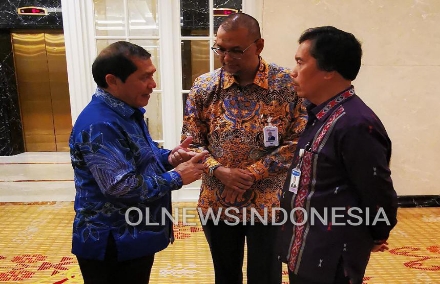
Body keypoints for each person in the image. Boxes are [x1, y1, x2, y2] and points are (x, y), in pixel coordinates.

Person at [181, 13, 307, 284]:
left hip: (269, 203)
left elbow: (299, 140)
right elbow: (192, 140)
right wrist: (219, 171)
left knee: (266, 275)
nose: (226, 58)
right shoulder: (204, 87)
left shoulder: (287, 85)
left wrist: (252, 173)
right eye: (221, 49)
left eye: (236, 50)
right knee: (225, 275)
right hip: (217, 201)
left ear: (259, 45)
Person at [69, 41, 208, 284]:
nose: (153, 85)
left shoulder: (126, 112)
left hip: (133, 235)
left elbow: (143, 155)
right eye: (145, 77)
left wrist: (170, 157)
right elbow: (121, 187)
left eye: (152, 76)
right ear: (112, 80)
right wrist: (177, 176)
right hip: (111, 242)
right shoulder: (100, 124)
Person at [278, 26, 398, 284]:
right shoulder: (317, 113)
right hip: (305, 243)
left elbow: (376, 188)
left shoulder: (355, 123)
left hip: (331, 252)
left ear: (329, 71)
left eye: (301, 62)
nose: (293, 71)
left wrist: (378, 232)